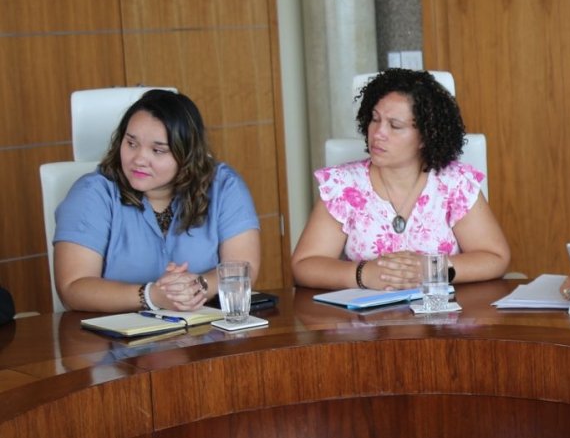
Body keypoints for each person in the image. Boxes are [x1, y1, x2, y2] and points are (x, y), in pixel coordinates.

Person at [291, 69, 510, 290]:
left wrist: (433, 269)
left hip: (440, 310)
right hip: (366, 310)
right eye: (375, 119)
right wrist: (363, 274)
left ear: (425, 136)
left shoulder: (455, 183)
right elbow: (305, 265)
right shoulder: (343, 186)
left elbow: (495, 257)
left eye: (395, 126)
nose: (378, 133)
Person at [53, 89, 261, 313]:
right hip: (115, 332)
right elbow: (73, 288)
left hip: (203, 327)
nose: (139, 159)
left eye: (158, 150)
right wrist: (152, 296)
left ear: (187, 154)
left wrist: (195, 287)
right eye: (131, 143)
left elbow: (244, 268)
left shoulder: (223, 185)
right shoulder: (92, 193)